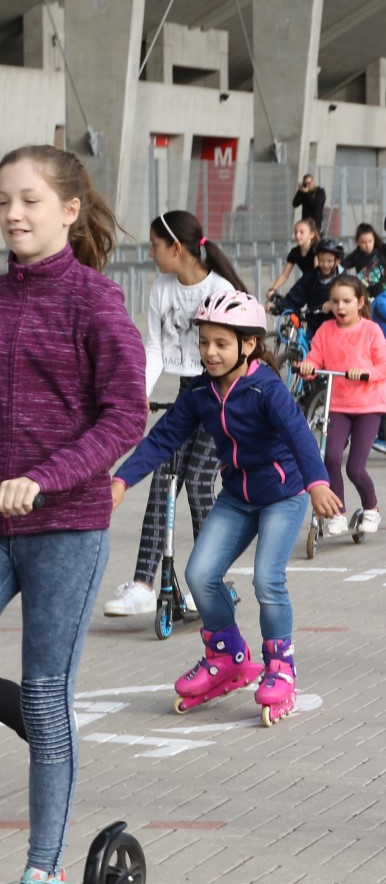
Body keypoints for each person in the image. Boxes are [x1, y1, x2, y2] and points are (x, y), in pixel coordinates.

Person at [0, 145, 146, 884]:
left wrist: (46, 476)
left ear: (68, 209)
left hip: (65, 524)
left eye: (28, 199)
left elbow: (126, 415)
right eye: (2, 201)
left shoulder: (95, 302)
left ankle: (46, 878)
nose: (12, 214)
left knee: (47, 690)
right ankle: (33, 715)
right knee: (39, 703)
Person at [113, 290, 337, 733]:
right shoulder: (200, 391)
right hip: (237, 496)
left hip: (283, 495)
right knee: (200, 575)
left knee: (267, 579)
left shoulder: (266, 389)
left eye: (221, 343)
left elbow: (299, 435)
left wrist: (317, 484)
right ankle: (227, 657)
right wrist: (122, 479)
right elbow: (163, 438)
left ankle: (280, 666)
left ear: (247, 344)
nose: (210, 352)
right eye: (204, 342)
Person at [101, 211, 245, 620]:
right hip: (186, 394)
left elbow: (235, 350)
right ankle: (144, 586)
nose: (151, 253)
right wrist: (140, 394)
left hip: (219, 393)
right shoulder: (162, 288)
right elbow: (155, 347)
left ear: (177, 248)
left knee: (198, 484)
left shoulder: (219, 290)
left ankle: (210, 579)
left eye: (155, 246)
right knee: (163, 480)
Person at [298, 275, 386, 537]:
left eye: (347, 301)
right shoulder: (325, 330)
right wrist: (307, 367)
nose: (340, 307)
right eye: (335, 301)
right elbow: (314, 359)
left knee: (355, 468)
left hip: (368, 406)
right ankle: (336, 513)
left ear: (360, 302)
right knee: (330, 458)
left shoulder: (371, 331)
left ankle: (371, 509)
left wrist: (366, 372)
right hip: (337, 405)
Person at [274, 239, 344, 331]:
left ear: (337, 261)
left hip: (337, 327)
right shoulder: (310, 277)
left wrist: (334, 302)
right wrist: (278, 305)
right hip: (314, 325)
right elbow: (295, 296)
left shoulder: (345, 279)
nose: (325, 265)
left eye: (330, 261)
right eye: (322, 260)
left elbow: (351, 300)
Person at [264, 217, 321, 305]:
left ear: (312, 235)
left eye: (301, 232)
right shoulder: (295, 252)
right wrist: (273, 289)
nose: (297, 235)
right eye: (295, 232)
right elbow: (284, 274)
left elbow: (317, 273)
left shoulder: (316, 250)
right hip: (306, 283)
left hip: (318, 285)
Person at [343, 223, 386, 290]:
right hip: (363, 289)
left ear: (374, 239)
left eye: (370, 241)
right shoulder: (357, 254)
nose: (367, 245)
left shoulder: (381, 253)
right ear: (357, 242)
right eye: (363, 242)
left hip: (381, 289)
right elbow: (343, 265)